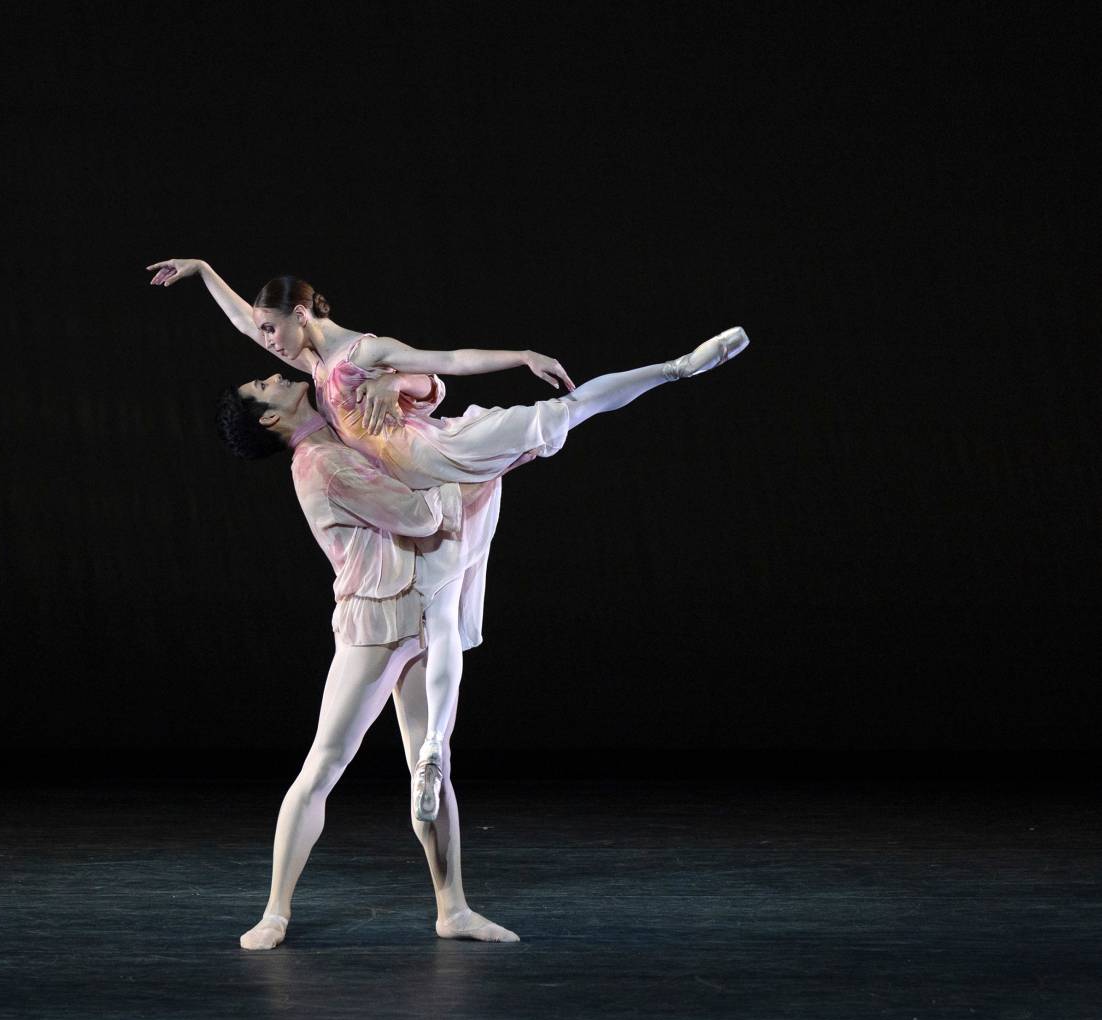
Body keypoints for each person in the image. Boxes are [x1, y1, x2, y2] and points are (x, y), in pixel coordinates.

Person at [148, 258, 749, 823]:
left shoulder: (361, 352)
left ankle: (680, 367)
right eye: (264, 336)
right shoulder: (313, 370)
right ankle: (432, 750)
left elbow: (451, 359)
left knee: (562, 412)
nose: (267, 344)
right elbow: (245, 323)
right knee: (442, 617)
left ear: (300, 316)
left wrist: (520, 355)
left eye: (272, 330)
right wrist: (203, 271)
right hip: (427, 495)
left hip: (441, 457)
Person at [216, 371, 517, 949]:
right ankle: (275, 912)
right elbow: (421, 516)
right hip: (377, 620)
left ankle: (452, 908)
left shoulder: (336, 426)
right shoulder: (321, 463)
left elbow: (421, 389)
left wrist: (206, 273)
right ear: (270, 418)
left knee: (431, 764)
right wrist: (486, 459)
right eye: (262, 383)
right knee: (324, 765)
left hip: (420, 610)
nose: (276, 374)